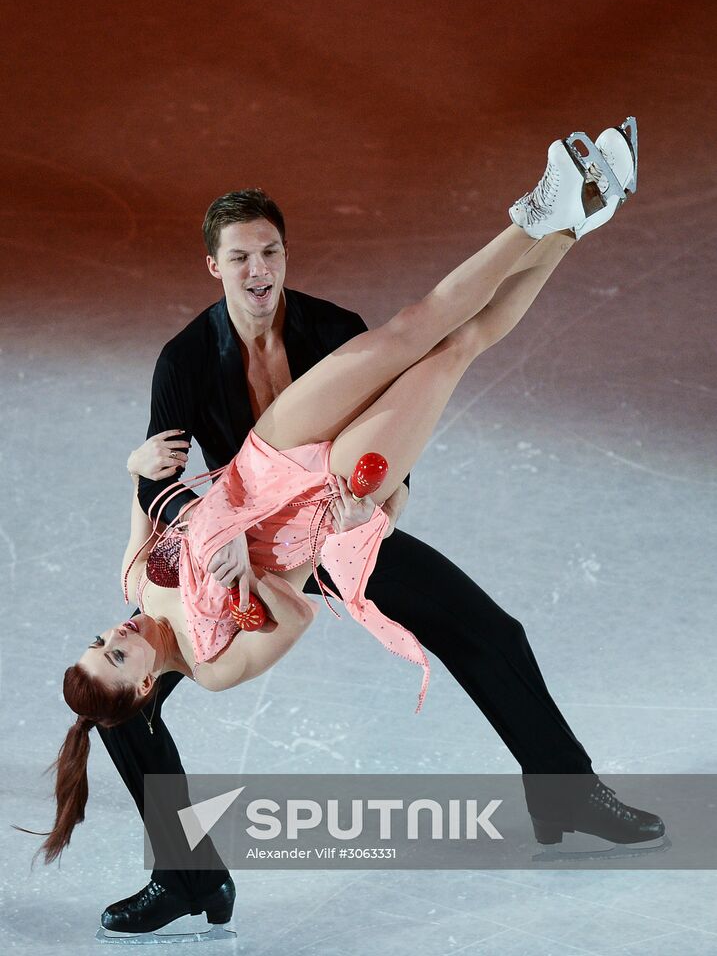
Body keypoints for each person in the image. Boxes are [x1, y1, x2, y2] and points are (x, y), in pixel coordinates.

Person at [40, 121, 665, 933]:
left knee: (489, 631)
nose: (257, 271)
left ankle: (565, 796)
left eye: (269, 254)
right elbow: (172, 482)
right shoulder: (185, 360)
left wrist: (382, 504)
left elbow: (156, 499)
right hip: (311, 537)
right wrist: (237, 554)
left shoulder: (328, 326)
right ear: (215, 267)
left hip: (316, 491)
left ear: (283, 257)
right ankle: (189, 876)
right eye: (239, 258)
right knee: (118, 721)